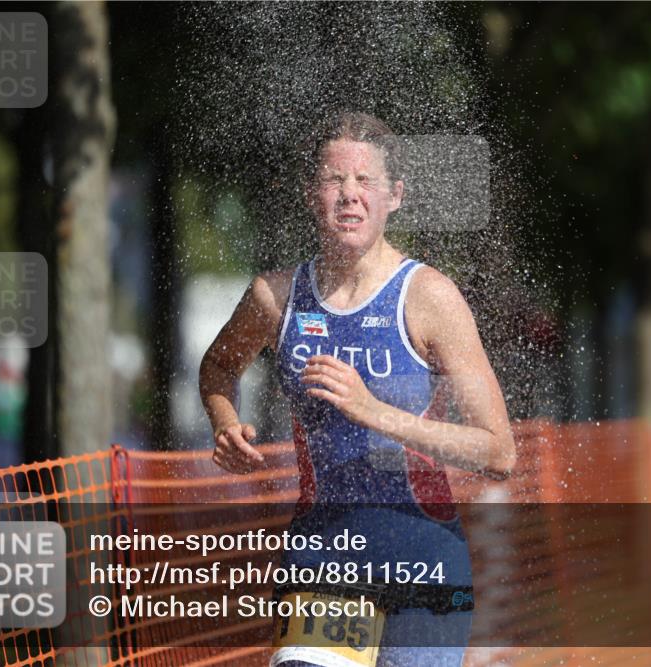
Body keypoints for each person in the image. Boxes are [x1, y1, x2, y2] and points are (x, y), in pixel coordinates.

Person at [200, 111, 515, 667]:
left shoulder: (429, 299)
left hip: (423, 561)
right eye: (333, 179)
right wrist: (225, 422)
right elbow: (219, 366)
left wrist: (374, 411)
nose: (349, 194)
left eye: (365, 180)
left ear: (394, 196)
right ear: (310, 194)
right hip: (327, 557)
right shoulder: (277, 298)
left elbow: (498, 452)